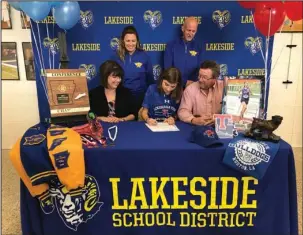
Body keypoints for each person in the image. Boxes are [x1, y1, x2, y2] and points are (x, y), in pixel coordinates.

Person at [112, 25, 154, 118]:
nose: (130, 44)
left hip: (140, 99)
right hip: (122, 99)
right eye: (128, 41)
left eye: (133, 41)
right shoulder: (117, 57)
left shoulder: (144, 56)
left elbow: (150, 79)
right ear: (123, 41)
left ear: (137, 41)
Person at [178, 60, 224, 126]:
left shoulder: (224, 88)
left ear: (215, 78)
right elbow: (183, 111)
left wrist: (218, 119)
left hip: (221, 128)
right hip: (197, 128)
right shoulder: (190, 89)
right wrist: (193, 120)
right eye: (199, 76)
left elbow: (235, 112)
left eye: (204, 77)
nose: (200, 80)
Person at [164, 17, 202, 88]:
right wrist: (184, 82)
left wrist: (192, 83)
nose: (190, 34)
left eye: (193, 31)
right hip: (174, 87)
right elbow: (168, 70)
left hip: (192, 87)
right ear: (183, 29)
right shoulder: (171, 46)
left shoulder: (198, 47)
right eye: (188, 30)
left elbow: (199, 69)